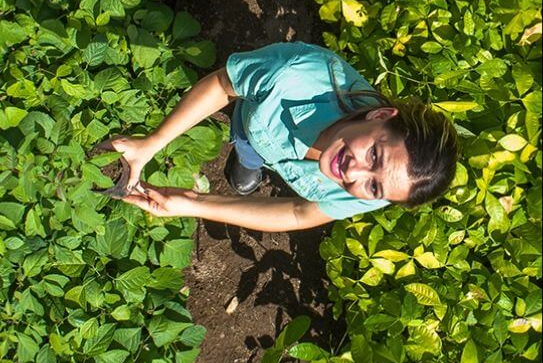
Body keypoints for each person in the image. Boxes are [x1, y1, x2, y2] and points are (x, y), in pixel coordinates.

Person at [104, 41, 458, 232]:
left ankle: (248, 167)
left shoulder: (382, 190)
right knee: (246, 144)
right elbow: (222, 85)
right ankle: (246, 161)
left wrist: (190, 204)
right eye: (375, 156)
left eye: (375, 186)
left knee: (251, 160)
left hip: (269, 142)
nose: (353, 173)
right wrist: (151, 143)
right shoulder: (295, 75)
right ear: (381, 116)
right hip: (252, 124)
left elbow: (300, 213)